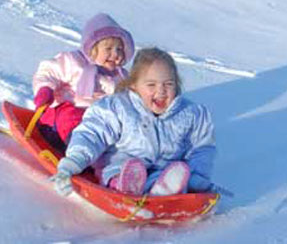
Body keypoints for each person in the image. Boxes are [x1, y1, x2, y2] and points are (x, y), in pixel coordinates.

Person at [51, 47, 216, 197]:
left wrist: (197, 176)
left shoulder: (191, 114)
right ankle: (125, 188)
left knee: (171, 173)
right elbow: (92, 134)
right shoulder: (117, 108)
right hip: (120, 168)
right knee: (124, 171)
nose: (161, 91)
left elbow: (201, 147)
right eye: (151, 85)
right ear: (134, 86)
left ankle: (163, 190)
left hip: (162, 171)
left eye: (168, 84)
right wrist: (73, 163)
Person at [32, 13, 134, 150]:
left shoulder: (122, 77)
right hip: (67, 113)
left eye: (119, 49)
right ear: (93, 49)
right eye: (108, 49)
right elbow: (49, 71)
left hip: (102, 120)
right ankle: (77, 149)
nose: (115, 54)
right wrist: (45, 89)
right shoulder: (75, 62)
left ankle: (117, 162)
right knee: (71, 118)